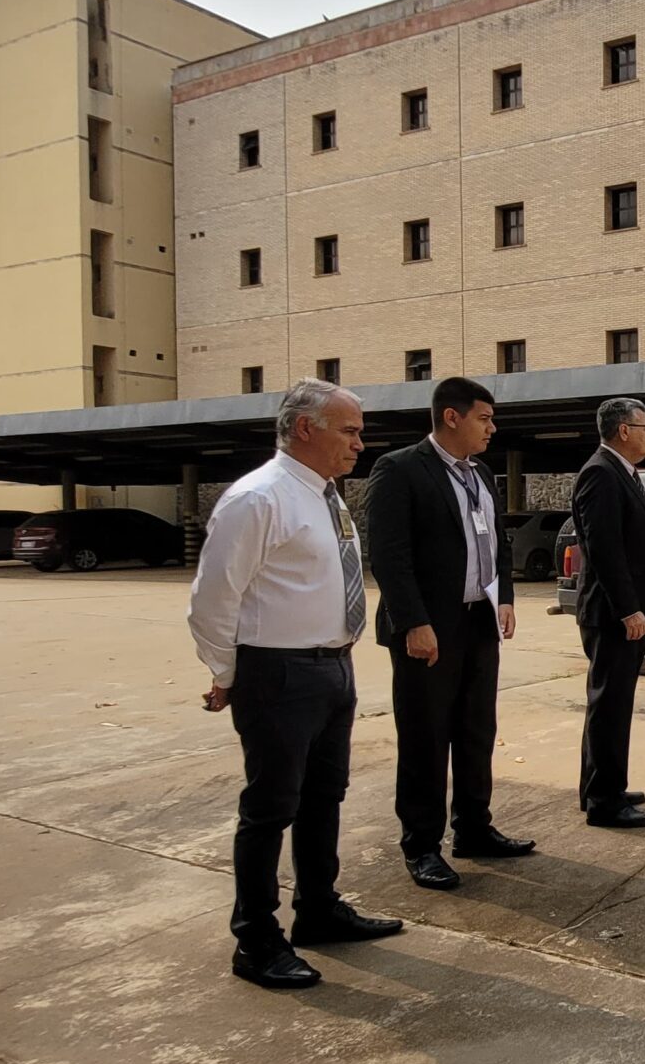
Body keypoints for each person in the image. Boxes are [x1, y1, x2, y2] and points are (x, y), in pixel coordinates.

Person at [187, 378, 402, 990]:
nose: (359, 443)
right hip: (277, 671)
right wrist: (227, 674)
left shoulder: (327, 497)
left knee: (323, 796)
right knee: (270, 809)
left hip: (332, 666)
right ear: (305, 428)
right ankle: (256, 940)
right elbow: (212, 600)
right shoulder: (258, 498)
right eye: (350, 431)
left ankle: (319, 909)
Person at [362, 376, 532, 894]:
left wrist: (505, 596)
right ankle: (422, 845)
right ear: (451, 417)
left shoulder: (481, 472)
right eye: (484, 418)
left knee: (477, 729)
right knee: (426, 737)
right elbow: (388, 554)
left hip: (478, 619)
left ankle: (474, 828)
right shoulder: (400, 469)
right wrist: (413, 621)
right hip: (428, 628)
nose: (492, 428)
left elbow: (497, 542)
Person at [570, 396, 645, 827]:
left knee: (610, 704)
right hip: (612, 615)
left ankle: (600, 785)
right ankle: (605, 802)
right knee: (609, 706)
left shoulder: (621, 471)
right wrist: (629, 609)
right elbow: (604, 549)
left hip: (623, 612)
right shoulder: (601, 473)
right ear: (624, 430)